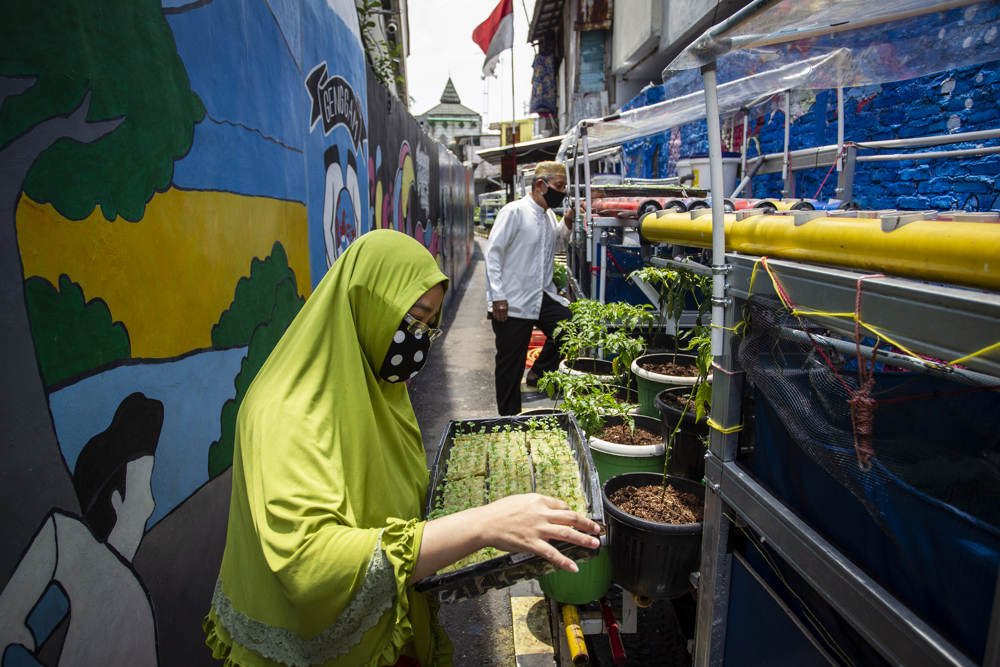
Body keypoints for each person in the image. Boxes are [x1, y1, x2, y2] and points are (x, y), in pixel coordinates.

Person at [203, 230, 600, 667]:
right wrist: (483, 524)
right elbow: (307, 566)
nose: (423, 338)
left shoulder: (376, 389)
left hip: (386, 624)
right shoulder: (286, 413)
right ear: (367, 302)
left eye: (433, 325)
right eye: (416, 318)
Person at [485, 161, 576, 416]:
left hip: (540, 295)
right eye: (559, 186)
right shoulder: (514, 211)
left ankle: (539, 370)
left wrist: (566, 223)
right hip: (512, 300)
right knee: (510, 365)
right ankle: (509, 418)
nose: (562, 192)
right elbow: (493, 254)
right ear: (540, 185)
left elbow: (554, 243)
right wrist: (497, 297)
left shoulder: (547, 215)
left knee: (570, 327)